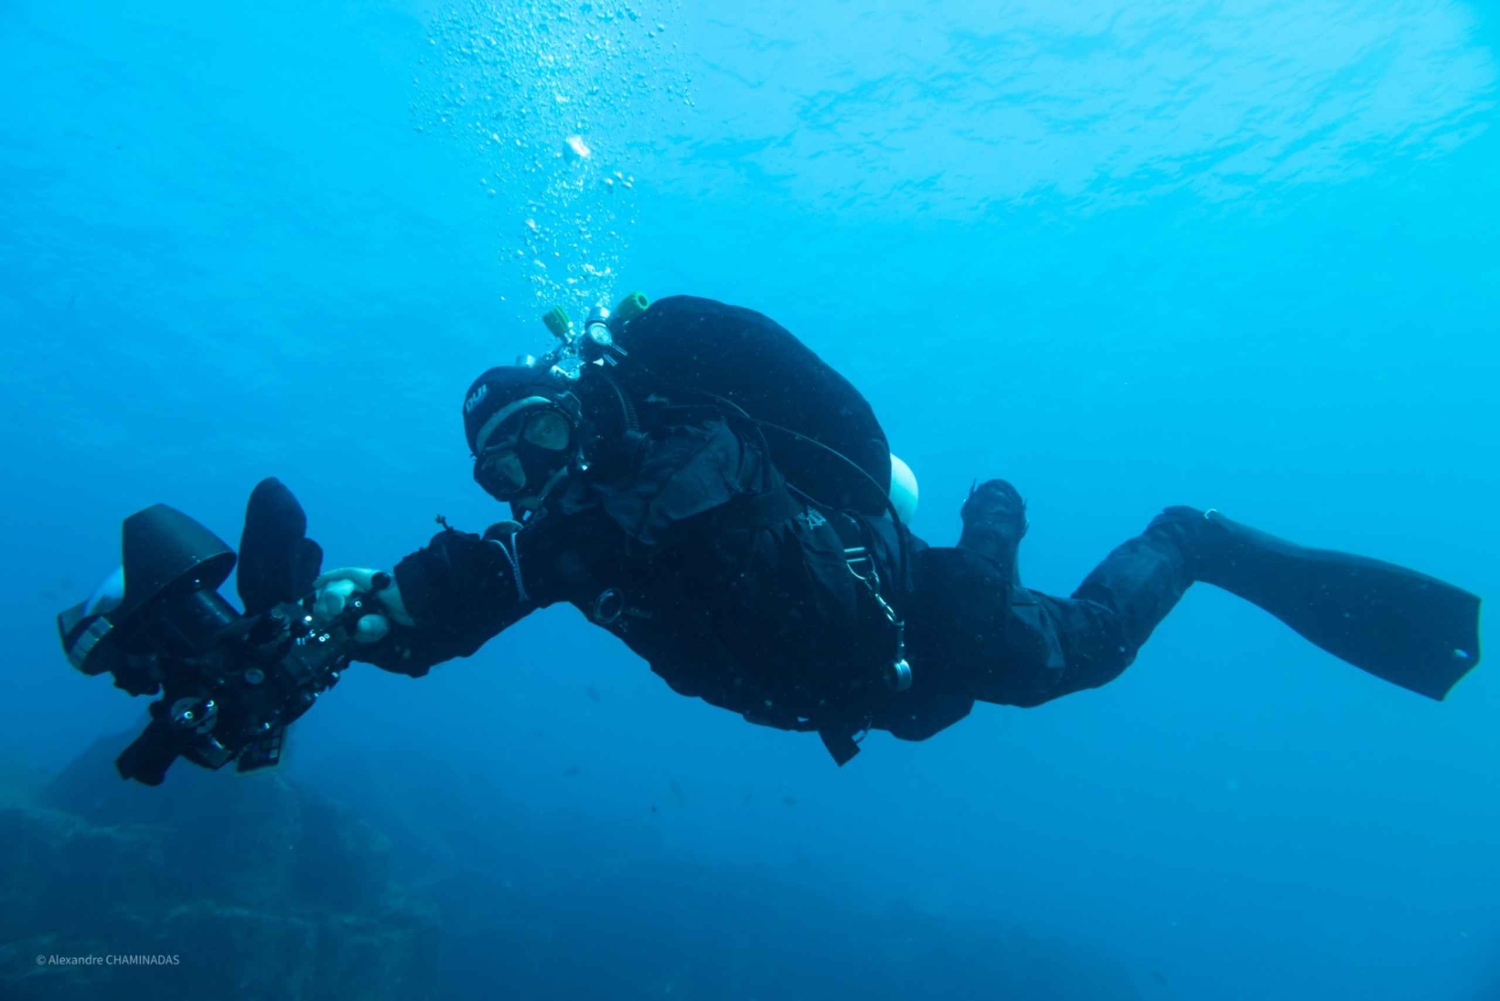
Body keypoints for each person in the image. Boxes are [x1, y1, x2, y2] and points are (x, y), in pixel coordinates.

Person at [316, 294, 1482, 763]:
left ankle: (1186, 535)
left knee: (1069, 653)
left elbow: (636, 523)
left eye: (541, 431)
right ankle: (991, 517)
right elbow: (479, 584)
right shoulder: (561, 532)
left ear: (582, 404)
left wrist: (512, 563)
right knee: (942, 701)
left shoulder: (691, 450)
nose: (534, 470)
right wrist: (367, 619)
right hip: (871, 683)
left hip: (920, 613)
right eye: (503, 467)